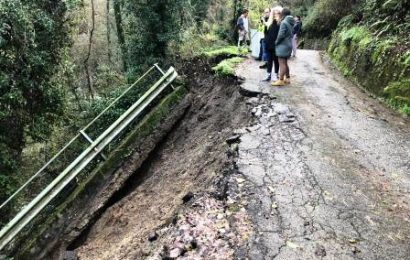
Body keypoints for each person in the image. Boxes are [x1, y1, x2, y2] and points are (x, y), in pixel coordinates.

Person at [272, 8, 294, 86]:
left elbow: (281, 35)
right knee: (285, 62)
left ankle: (281, 80)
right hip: (288, 44)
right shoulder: (291, 22)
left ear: (283, 14)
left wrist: (276, 42)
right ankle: (287, 78)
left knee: (282, 63)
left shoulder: (284, 22)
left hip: (283, 45)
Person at [262, 6, 282, 81]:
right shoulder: (270, 21)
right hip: (269, 43)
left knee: (276, 60)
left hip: (276, 44)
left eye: (277, 12)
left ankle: (276, 75)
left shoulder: (281, 22)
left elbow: (281, 34)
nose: (275, 14)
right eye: (274, 12)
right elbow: (267, 32)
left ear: (280, 13)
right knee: (269, 60)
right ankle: (268, 75)